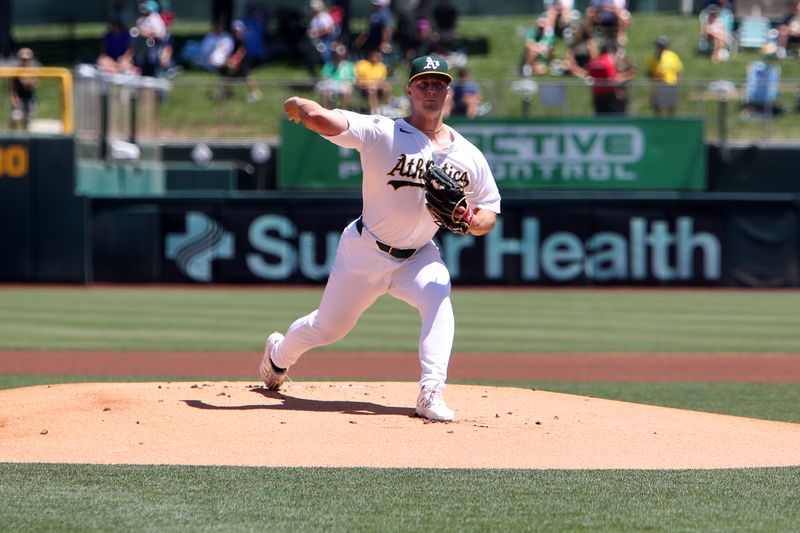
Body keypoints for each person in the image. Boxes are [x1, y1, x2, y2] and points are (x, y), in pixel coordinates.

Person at [267, 54, 501, 422]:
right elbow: (328, 121)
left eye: (438, 83)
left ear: (448, 91)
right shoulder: (383, 132)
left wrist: (472, 218)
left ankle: (431, 391)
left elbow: (489, 211)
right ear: (409, 89)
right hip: (365, 251)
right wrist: (304, 108)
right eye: (423, 83)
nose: (430, 89)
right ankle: (278, 356)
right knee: (327, 328)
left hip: (417, 256)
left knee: (438, 292)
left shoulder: (468, 155)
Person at [217, 20, 262, 103]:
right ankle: (226, 93)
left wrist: (235, 60)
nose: (236, 32)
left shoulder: (240, 40)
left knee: (246, 77)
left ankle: (256, 93)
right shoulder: (234, 39)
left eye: (238, 30)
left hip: (242, 62)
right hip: (238, 62)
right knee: (230, 77)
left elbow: (241, 51)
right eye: (235, 30)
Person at [646, 35, 683, 117]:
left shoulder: (672, 56)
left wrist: (677, 84)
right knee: (656, 106)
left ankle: (671, 124)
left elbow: (678, 71)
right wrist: (655, 79)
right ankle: (658, 124)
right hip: (658, 86)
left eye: (663, 46)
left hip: (671, 85)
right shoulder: (652, 58)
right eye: (659, 46)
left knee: (671, 107)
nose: (661, 48)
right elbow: (649, 73)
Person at [316, 43, 356, 109]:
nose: (339, 57)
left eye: (341, 55)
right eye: (337, 55)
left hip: (344, 84)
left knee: (346, 91)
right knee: (326, 92)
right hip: (332, 84)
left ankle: (344, 111)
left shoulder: (349, 65)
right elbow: (324, 76)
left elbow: (353, 78)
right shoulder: (329, 64)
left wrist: (348, 82)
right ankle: (327, 111)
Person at [355, 48, 391, 113]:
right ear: (370, 56)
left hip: (377, 86)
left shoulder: (382, 66)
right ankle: (373, 110)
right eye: (375, 55)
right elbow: (359, 81)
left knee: (386, 87)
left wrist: (377, 84)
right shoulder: (362, 64)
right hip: (364, 87)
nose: (377, 57)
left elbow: (382, 80)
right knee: (372, 89)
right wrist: (370, 84)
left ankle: (385, 107)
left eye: (378, 56)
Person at [9, 48, 38, 130]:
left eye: (27, 59)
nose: (25, 61)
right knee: (15, 118)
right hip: (19, 98)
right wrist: (14, 98)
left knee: (27, 120)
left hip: (29, 98)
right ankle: (12, 137)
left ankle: (25, 139)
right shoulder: (16, 70)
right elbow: (13, 88)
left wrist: (25, 79)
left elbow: (33, 85)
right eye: (23, 59)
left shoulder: (33, 71)